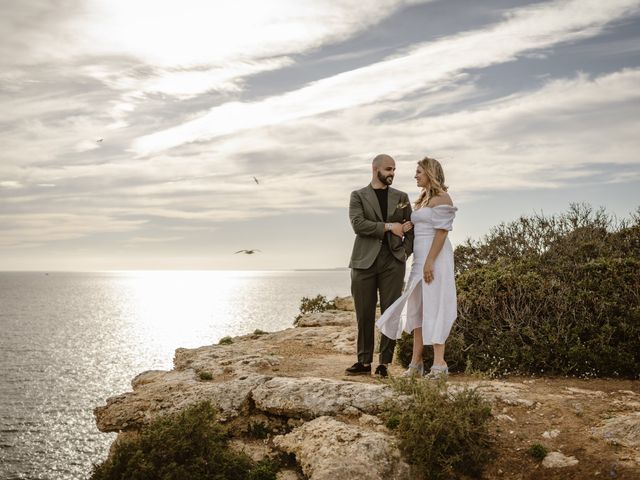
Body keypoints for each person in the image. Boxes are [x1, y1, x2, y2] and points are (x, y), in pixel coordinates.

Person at [376, 156, 457, 378]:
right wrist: (408, 225)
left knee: (435, 304)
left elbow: (441, 232)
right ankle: (415, 364)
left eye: (419, 172)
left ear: (430, 173)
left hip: (435, 258)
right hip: (420, 258)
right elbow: (422, 225)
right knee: (417, 308)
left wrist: (430, 261)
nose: (415, 176)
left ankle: (439, 365)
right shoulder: (422, 199)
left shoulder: (442, 198)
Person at [346, 154, 414, 378]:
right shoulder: (358, 196)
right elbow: (358, 225)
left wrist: (404, 253)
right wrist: (388, 226)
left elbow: (411, 229)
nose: (392, 173)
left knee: (391, 313)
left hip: (393, 262)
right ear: (375, 169)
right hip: (364, 262)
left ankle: (384, 363)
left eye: (394, 169)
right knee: (364, 314)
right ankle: (363, 361)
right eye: (388, 169)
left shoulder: (402, 196)